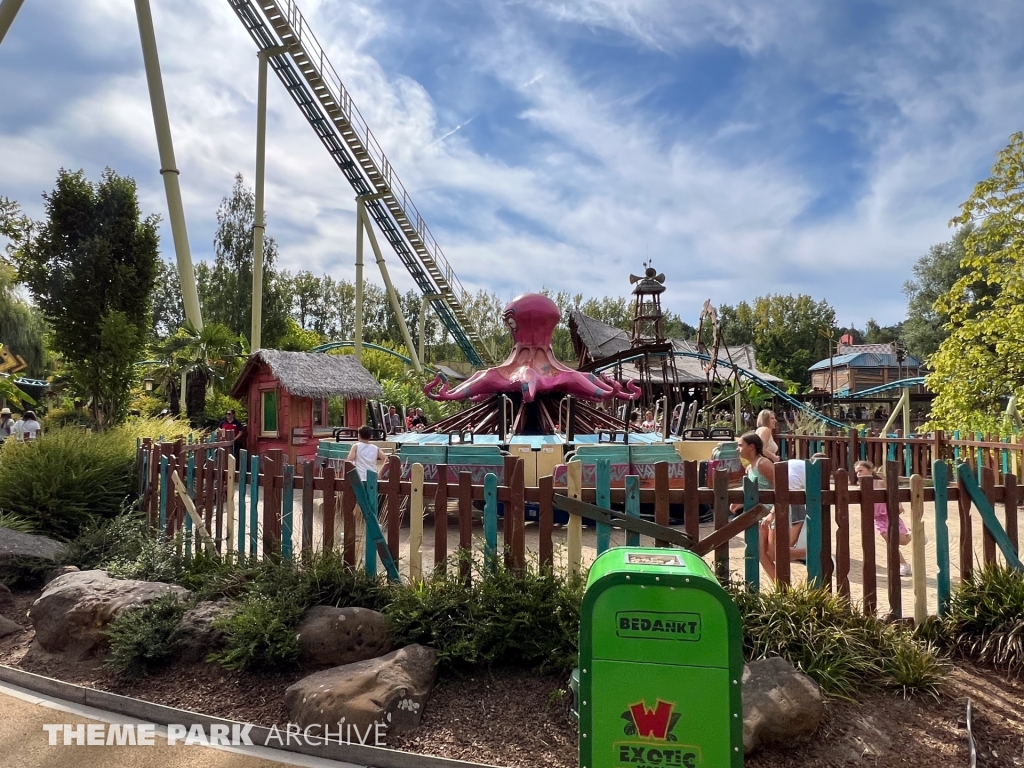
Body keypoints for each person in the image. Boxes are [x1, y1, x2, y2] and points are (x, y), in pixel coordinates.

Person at [854, 460, 912, 576]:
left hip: (889, 514)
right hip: (877, 518)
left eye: (861, 470)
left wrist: (899, 505)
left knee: (903, 541)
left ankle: (915, 533)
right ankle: (904, 565)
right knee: (890, 541)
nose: (858, 474)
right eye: (857, 472)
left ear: (870, 470)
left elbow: (893, 494)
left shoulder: (880, 483)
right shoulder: (861, 486)